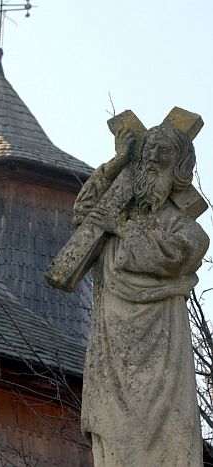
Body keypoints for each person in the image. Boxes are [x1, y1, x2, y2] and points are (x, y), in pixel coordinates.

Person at [74, 124, 209, 466]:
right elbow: (83, 214)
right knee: (115, 432)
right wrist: (118, 162)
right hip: (112, 343)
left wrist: (121, 227)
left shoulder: (183, 230)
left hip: (161, 345)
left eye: (162, 153)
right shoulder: (109, 216)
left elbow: (179, 252)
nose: (151, 158)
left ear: (177, 169)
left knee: (170, 435)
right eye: (147, 152)